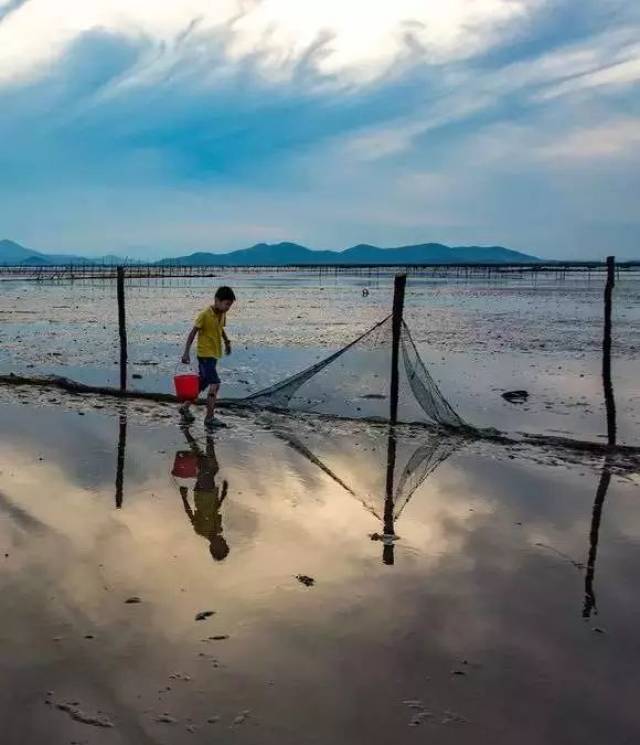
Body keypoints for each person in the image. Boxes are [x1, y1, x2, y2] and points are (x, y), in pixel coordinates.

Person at [180, 286, 235, 429]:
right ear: (217, 300)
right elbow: (193, 333)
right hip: (204, 355)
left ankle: (184, 407)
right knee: (215, 384)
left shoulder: (222, 314)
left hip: (214, 354)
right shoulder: (205, 314)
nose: (228, 308)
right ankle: (209, 418)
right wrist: (186, 352)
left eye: (230, 305)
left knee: (201, 385)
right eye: (226, 304)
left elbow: (220, 328)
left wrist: (227, 341)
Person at [177, 429, 230, 562]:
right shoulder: (218, 528)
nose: (223, 541)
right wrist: (223, 494)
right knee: (208, 465)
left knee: (206, 466)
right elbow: (216, 509)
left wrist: (183, 497)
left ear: (213, 547)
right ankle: (198, 435)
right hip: (211, 492)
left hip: (202, 493)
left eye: (222, 545)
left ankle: (204, 436)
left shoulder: (200, 530)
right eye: (225, 543)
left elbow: (189, 513)